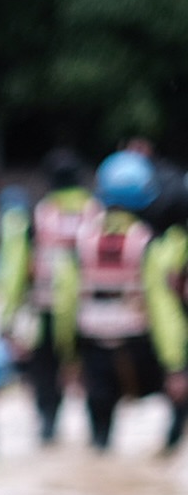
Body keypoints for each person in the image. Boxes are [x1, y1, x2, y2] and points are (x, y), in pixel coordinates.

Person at [57, 150, 188, 454]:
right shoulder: (149, 242)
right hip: (142, 350)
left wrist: (69, 357)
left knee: (100, 443)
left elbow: (66, 305)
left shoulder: (81, 242)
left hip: (94, 352)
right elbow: (163, 309)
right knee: (177, 415)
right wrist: (176, 365)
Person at [21, 152, 92, 441]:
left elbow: (19, 266)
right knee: (90, 371)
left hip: (46, 306)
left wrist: (11, 309)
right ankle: (97, 432)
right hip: (88, 310)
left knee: (45, 368)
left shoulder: (39, 213)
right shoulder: (96, 211)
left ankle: (49, 424)